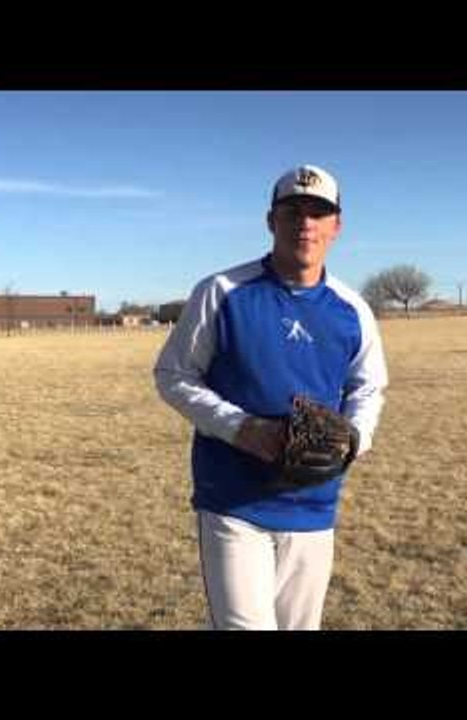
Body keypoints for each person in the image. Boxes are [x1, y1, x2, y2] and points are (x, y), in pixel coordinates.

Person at [153, 164, 388, 630]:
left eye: (319, 213)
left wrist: (354, 439)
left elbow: (369, 386)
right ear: (270, 220)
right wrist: (240, 428)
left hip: (314, 500)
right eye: (292, 211)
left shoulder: (351, 309)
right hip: (233, 500)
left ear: (336, 226)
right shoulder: (221, 292)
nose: (305, 223)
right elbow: (174, 374)